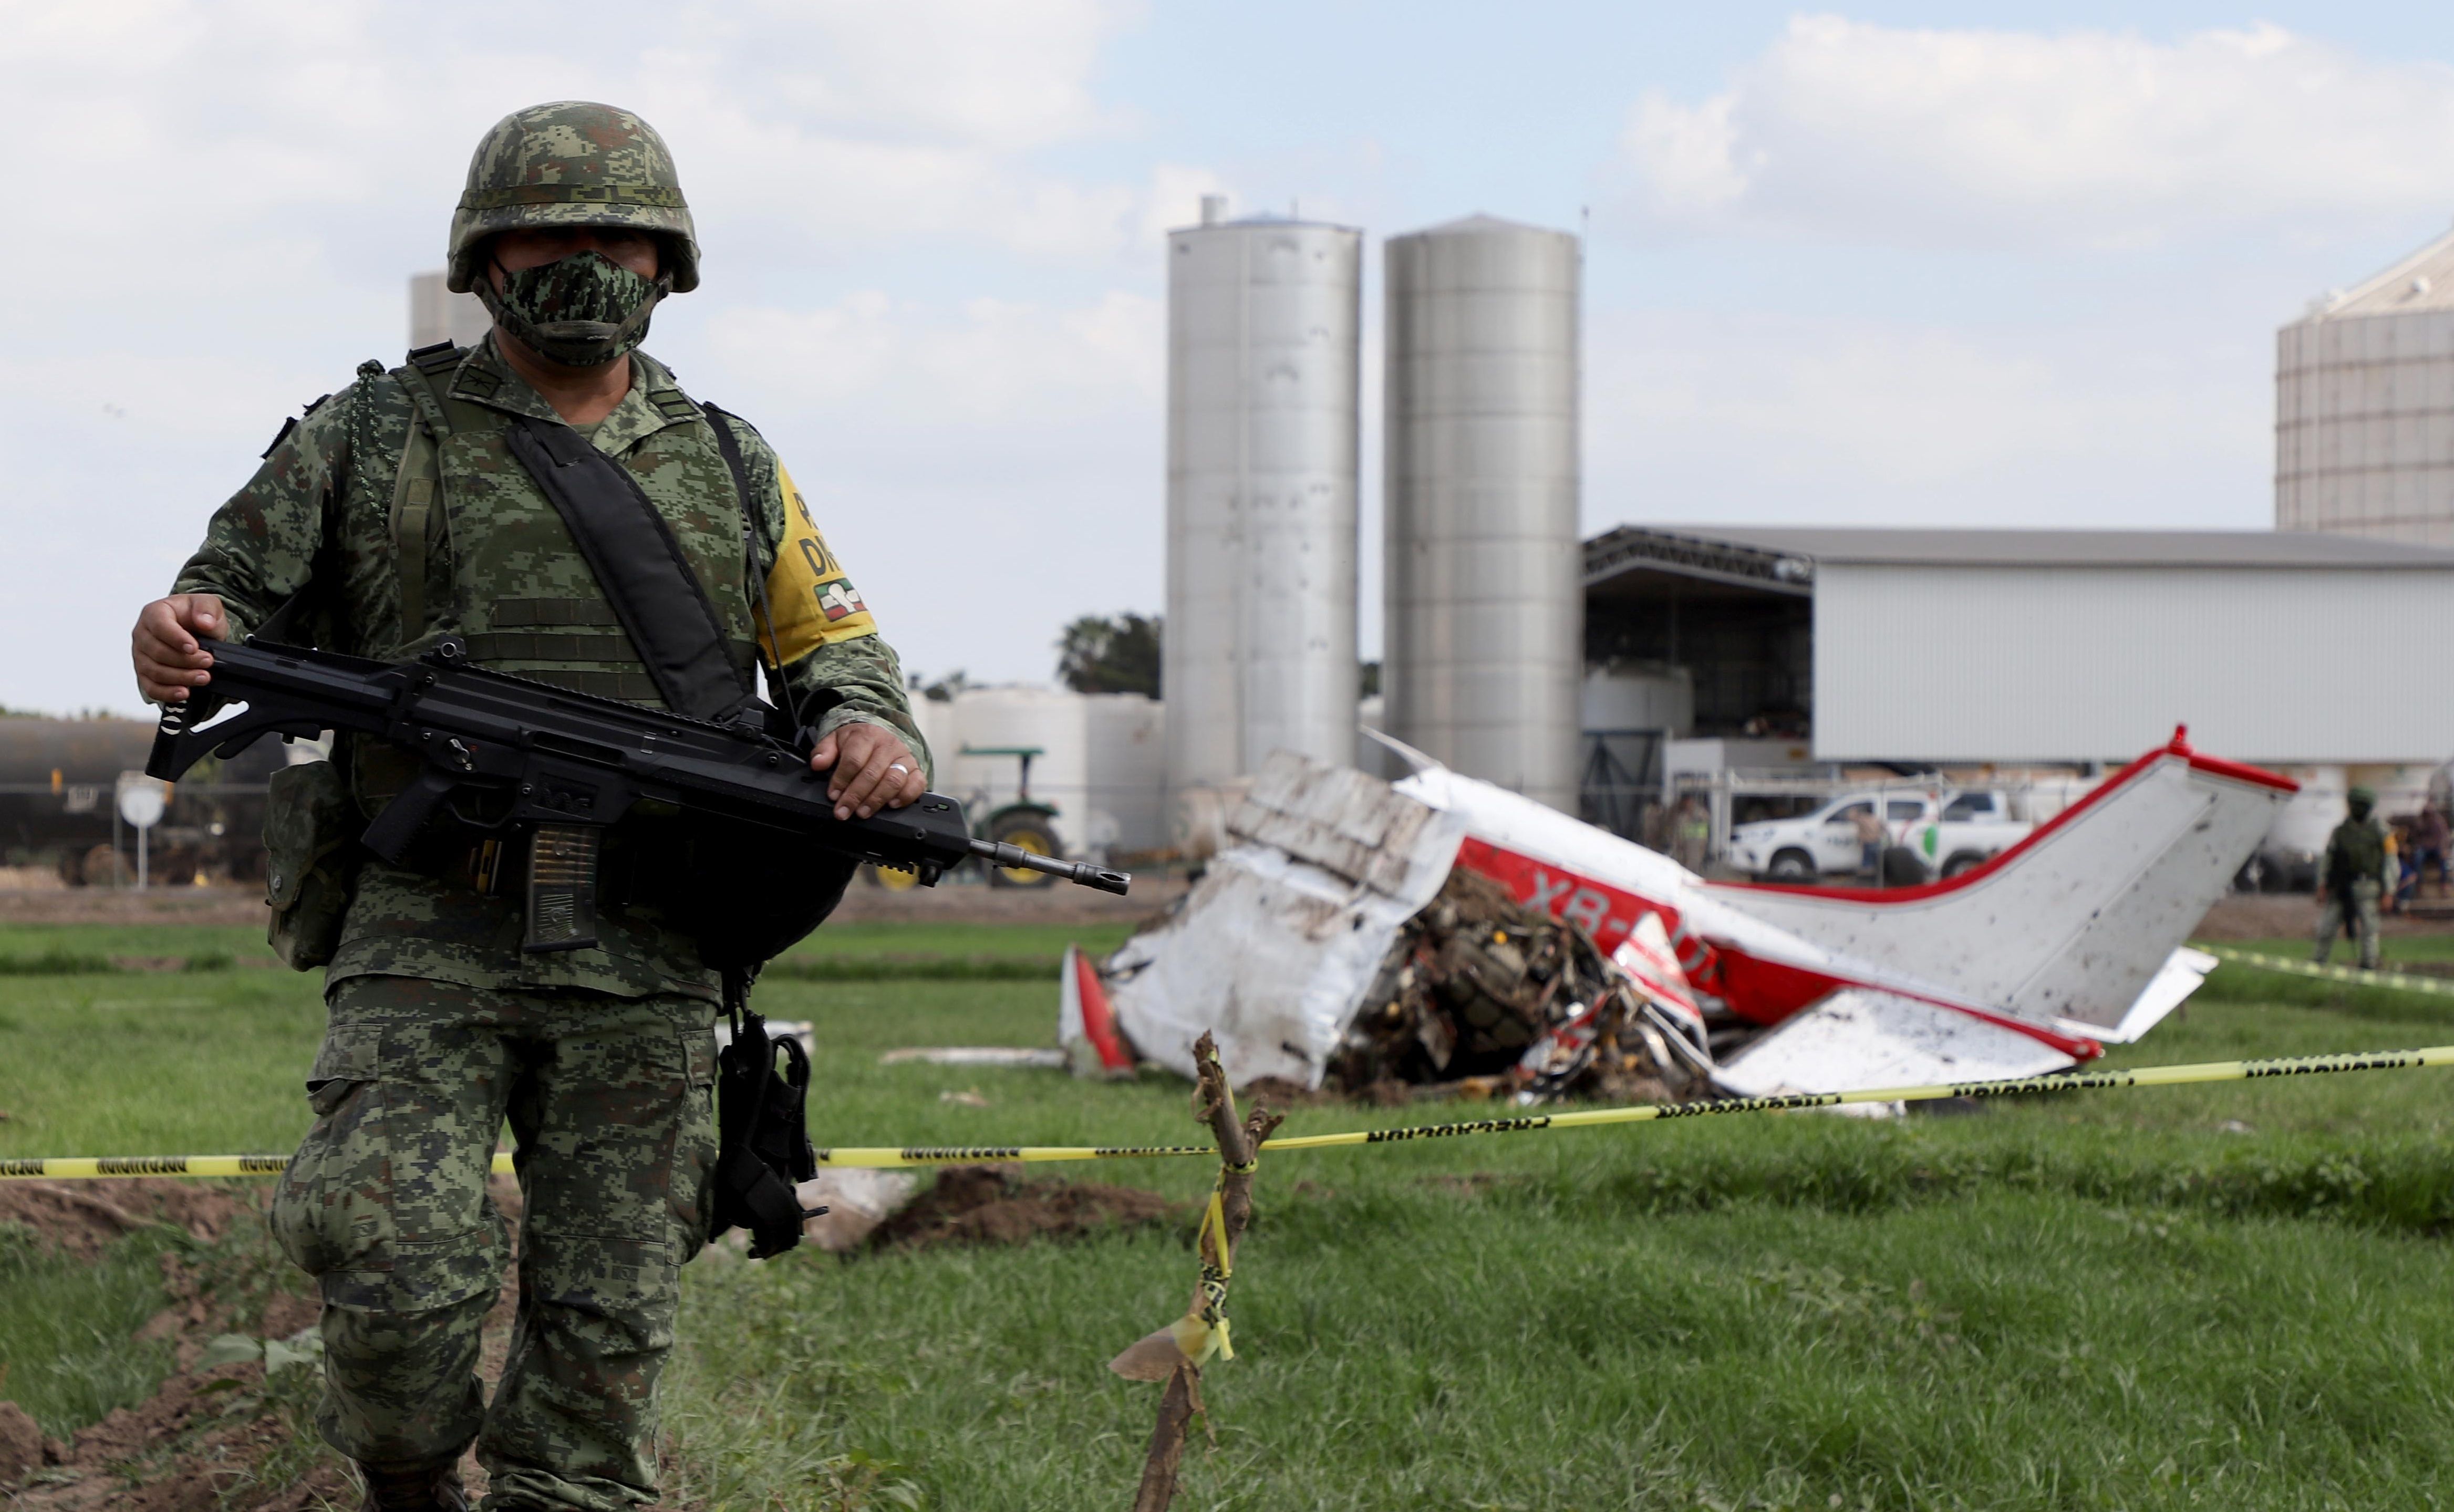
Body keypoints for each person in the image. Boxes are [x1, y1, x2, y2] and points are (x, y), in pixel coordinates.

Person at [128, 102, 929, 1512]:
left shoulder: (732, 461)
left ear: (665, 262)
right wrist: (183, 625)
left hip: (651, 941)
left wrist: (868, 728)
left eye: (614, 235)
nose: (581, 259)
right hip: (429, 920)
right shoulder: (371, 433)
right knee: (388, 1265)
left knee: (606, 1332)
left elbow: (835, 647)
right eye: (545, 234)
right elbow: (220, 599)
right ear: (481, 256)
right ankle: (405, 1473)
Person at [2313, 785, 2387, 970]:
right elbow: (2328, 858)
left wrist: (2389, 891)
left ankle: (2369, 964)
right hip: (2341, 886)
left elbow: (2390, 862)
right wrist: (2322, 884)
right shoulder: (2340, 832)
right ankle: (2318, 963)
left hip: (2368, 885)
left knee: (2369, 929)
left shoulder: (2381, 831)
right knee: (2327, 927)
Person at [2417, 802, 2450, 899]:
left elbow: (2445, 837)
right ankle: (2420, 884)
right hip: (2424, 848)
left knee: (2444, 862)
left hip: (2437, 848)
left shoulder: (2439, 822)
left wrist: (2444, 850)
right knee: (2417, 858)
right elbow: (2416, 836)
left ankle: (2444, 884)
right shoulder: (2420, 822)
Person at [1848, 802, 1884, 880]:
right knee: (1876, 862)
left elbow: (1851, 817)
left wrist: (1853, 809)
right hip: (1876, 842)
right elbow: (1883, 828)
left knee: (1867, 863)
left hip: (1868, 843)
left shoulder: (1862, 819)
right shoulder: (1875, 818)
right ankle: (1876, 879)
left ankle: (1867, 880)